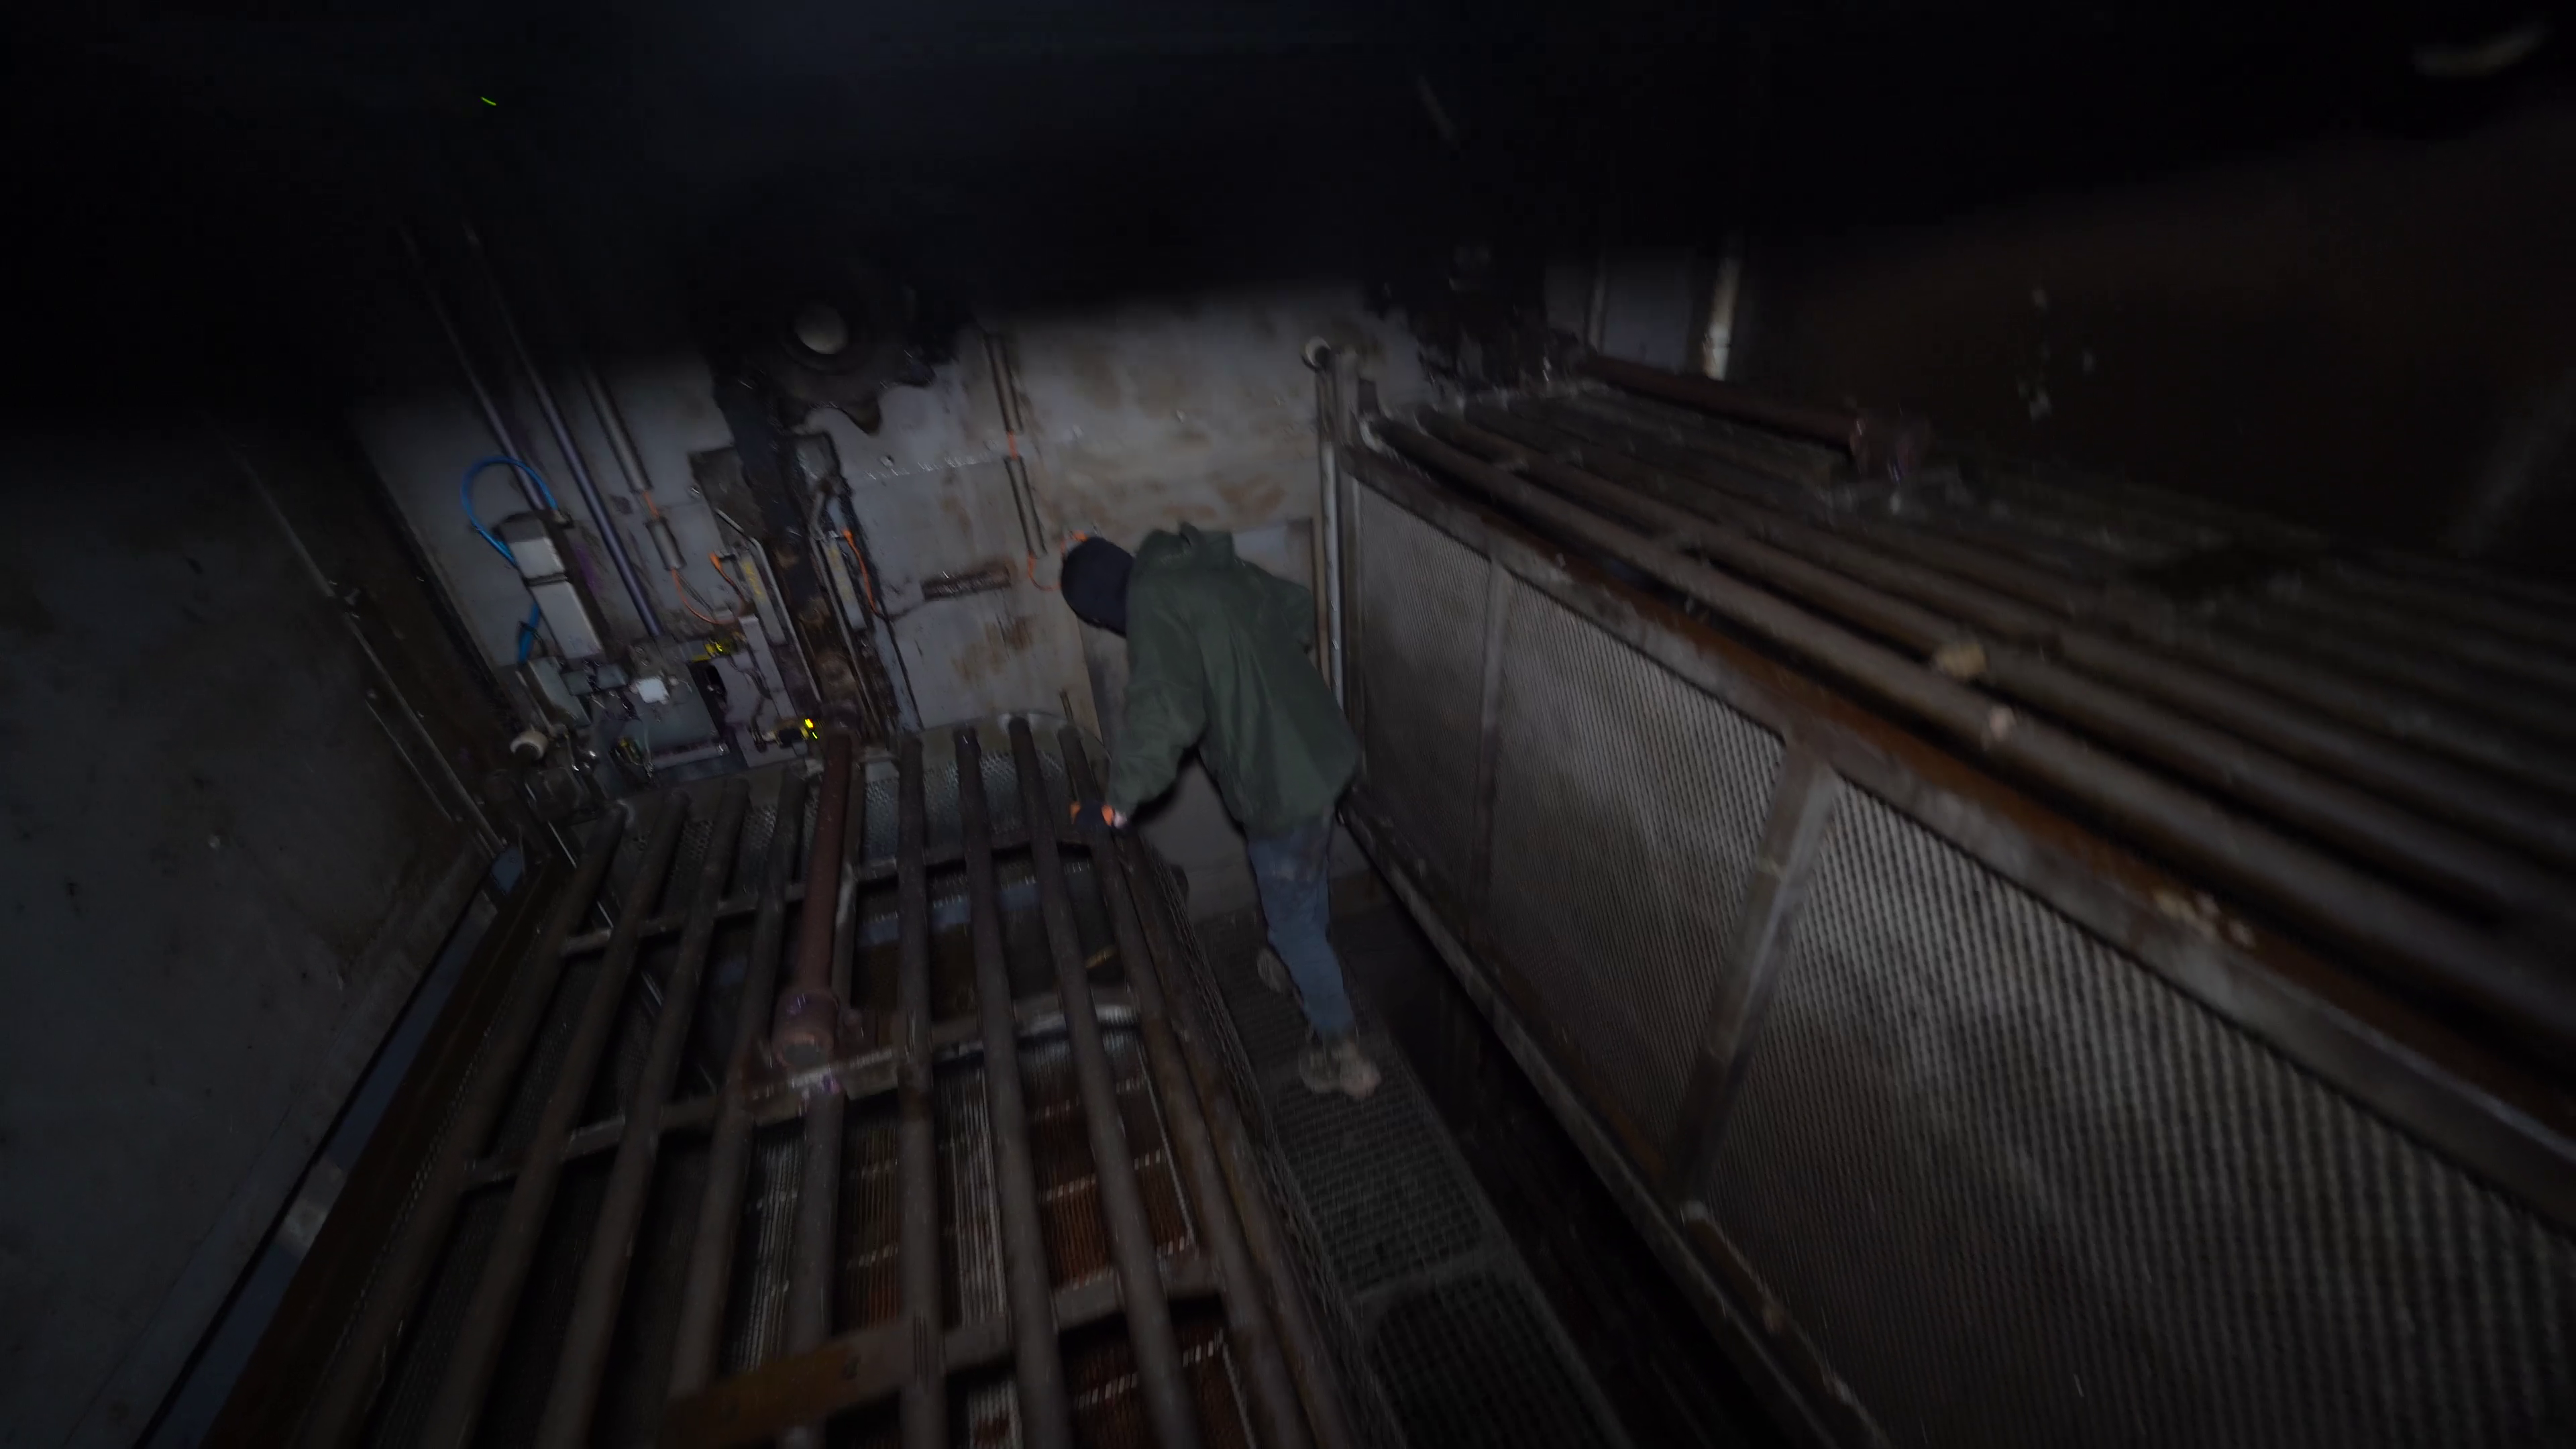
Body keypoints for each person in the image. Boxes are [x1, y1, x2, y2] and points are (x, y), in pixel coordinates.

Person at [1060, 525, 1382, 1099]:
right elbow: (1295, 605)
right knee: (1304, 880)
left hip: (1280, 783)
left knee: (1290, 918)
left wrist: (1116, 807)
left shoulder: (1155, 605)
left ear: (1106, 610)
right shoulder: (1195, 568)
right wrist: (1265, 674)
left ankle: (1342, 1050)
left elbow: (1163, 711)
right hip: (1323, 749)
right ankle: (1300, 961)